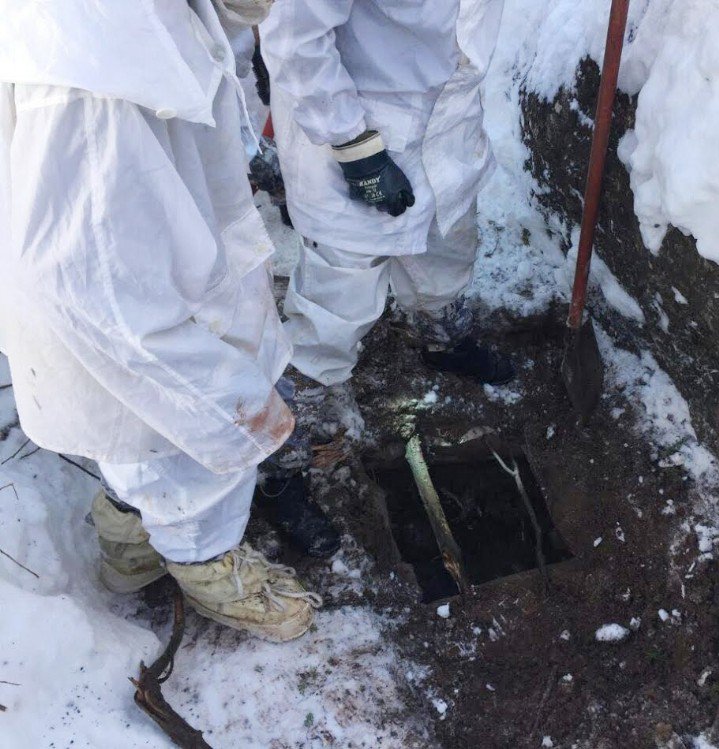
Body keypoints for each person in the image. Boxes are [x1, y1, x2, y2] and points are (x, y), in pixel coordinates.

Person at [0, 0, 321, 642]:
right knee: (183, 463)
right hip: (153, 338)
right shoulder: (92, 70)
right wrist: (232, 405)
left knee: (141, 458)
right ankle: (206, 567)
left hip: (169, 290)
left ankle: (130, 543)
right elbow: (92, 289)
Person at [260, 0, 513, 394]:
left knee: (446, 245)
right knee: (342, 285)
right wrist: (354, 146)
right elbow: (296, 35)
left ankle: (441, 334)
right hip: (360, 119)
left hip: (450, 116)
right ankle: (310, 400)